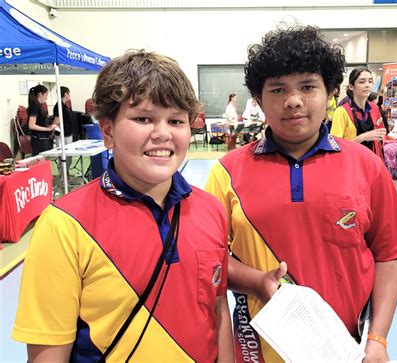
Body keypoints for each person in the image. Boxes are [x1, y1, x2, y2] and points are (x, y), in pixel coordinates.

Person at [205, 25, 397, 363]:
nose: (293, 100)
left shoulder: (367, 166)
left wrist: (378, 338)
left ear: (330, 92)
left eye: (307, 87)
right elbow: (210, 262)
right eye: (277, 90)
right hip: (258, 351)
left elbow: (389, 255)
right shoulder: (226, 173)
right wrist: (258, 281)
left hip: (346, 350)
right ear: (258, 100)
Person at [13, 50, 234, 362]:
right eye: (143, 118)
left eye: (175, 120)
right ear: (107, 131)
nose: (162, 133)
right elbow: (48, 351)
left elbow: (218, 307)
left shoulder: (210, 209)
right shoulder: (64, 225)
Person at [330, 67, 387, 159]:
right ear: (351, 86)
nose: (367, 85)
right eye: (362, 82)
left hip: (372, 161)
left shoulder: (374, 108)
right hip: (352, 164)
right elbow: (335, 146)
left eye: (370, 81)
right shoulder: (342, 111)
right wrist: (362, 137)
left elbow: (380, 136)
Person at [27, 84, 55, 156]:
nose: (47, 98)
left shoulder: (38, 106)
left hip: (43, 139)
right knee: (41, 163)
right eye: (46, 95)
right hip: (39, 140)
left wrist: (49, 127)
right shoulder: (34, 107)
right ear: (40, 94)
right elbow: (31, 125)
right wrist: (48, 129)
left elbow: (39, 123)